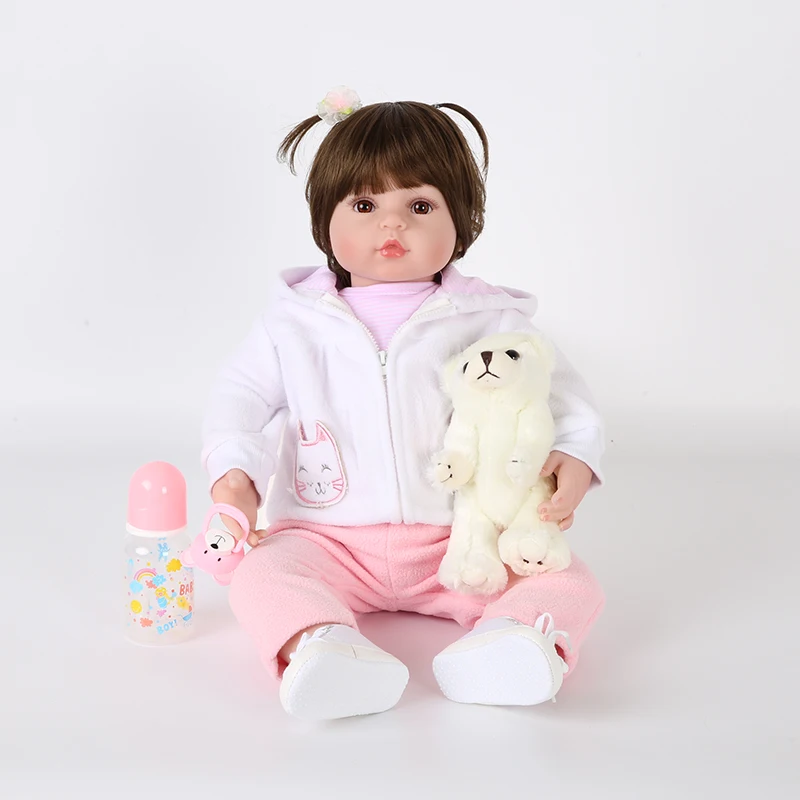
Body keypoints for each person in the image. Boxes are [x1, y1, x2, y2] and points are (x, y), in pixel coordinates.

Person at [201, 86, 606, 721]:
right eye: (365, 204)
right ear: (324, 219)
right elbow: (241, 397)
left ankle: (514, 644)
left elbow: (562, 398)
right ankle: (321, 646)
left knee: (567, 581)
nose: (392, 225)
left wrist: (573, 457)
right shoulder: (293, 323)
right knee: (261, 575)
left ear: (461, 221)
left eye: (419, 205)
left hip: (463, 536)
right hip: (326, 538)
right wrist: (234, 476)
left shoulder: (488, 317)